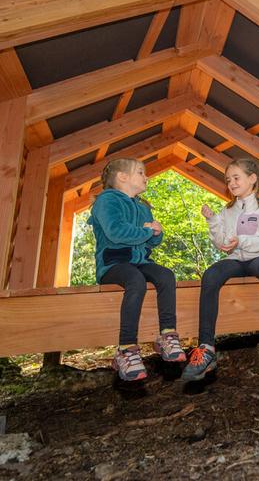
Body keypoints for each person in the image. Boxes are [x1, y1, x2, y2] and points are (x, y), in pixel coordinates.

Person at [182, 158, 259, 381]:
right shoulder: (227, 210)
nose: (231, 183)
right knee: (211, 274)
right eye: (228, 180)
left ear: (252, 178)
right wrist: (213, 221)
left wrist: (240, 240)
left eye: (236, 178)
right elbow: (222, 244)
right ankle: (206, 347)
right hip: (236, 259)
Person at [88, 158, 185, 381]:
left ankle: (167, 335)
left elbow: (151, 242)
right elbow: (116, 232)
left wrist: (156, 233)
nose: (146, 177)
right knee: (135, 280)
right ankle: (126, 348)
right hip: (113, 265)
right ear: (123, 177)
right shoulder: (107, 201)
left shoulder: (143, 207)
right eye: (141, 172)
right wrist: (146, 231)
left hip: (140, 262)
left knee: (166, 275)